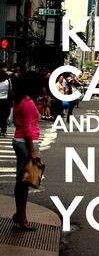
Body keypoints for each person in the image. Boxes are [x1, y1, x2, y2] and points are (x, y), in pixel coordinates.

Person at [12, 71, 42, 231]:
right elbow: (27, 129)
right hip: (26, 144)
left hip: (19, 142)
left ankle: (20, 214)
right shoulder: (28, 102)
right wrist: (33, 151)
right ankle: (21, 217)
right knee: (24, 182)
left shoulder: (19, 100)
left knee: (22, 181)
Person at [0, 69, 12, 136]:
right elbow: (10, 90)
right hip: (5, 100)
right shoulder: (8, 81)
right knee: (4, 116)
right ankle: (3, 130)